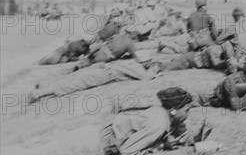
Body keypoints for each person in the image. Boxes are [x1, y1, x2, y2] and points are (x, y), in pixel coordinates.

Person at [1, 88, 206, 155]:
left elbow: (171, 128)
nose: (188, 114)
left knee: (39, 149)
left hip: (91, 133)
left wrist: (188, 137)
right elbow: (127, 150)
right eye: (187, 110)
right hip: (91, 143)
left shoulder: (159, 113)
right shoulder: (159, 124)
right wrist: (161, 146)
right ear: (174, 110)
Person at [27, 54, 160, 102]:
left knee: (73, 78)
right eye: (149, 62)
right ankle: (41, 92)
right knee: (75, 85)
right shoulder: (137, 67)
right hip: (104, 75)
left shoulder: (131, 62)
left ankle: (44, 86)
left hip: (101, 69)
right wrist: (155, 72)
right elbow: (145, 77)